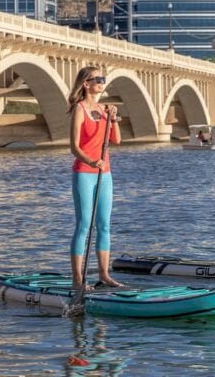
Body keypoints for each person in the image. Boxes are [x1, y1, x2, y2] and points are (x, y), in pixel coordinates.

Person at [68, 66, 122, 289]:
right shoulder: (79, 109)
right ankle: (78, 279)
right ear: (85, 84)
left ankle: (104, 275)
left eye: (103, 79)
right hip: (84, 172)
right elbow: (74, 147)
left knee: (104, 226)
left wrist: (114, 118)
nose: (101, 82)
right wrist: (91, 161)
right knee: (84, 226)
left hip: (105, 173)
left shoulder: (104, 109)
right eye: (96, 79)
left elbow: (116, 140)